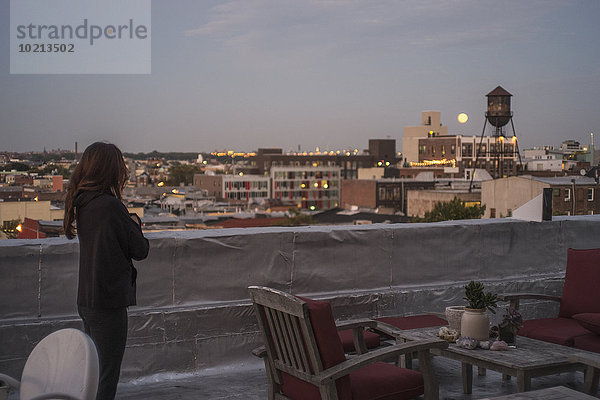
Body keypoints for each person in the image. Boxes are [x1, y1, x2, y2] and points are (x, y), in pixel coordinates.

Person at [63, 142, 149, 400]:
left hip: (88, 299)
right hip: (108, 301)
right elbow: (140, 250)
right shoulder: (110, 206)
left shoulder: (84, 203)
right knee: (106, 377)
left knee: (94, 373)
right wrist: (135, 222)